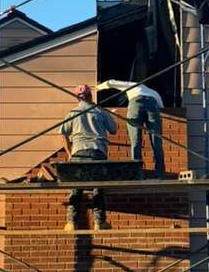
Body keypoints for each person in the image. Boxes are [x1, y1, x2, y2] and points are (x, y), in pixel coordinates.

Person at [60, 84, 117, 231]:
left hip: (78, 153)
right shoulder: (100, 111)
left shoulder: (73, 112)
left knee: (76, 187)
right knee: (99, 187)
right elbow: (113, 129)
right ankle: (99, 222)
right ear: (91, 96)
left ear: (77, 97)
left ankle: (71, 223)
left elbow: (62, 133)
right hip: (98, 153)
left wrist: (69, 153)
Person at [97, 78, 165, 177]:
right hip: (152, 105)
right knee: (157, 141)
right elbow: (161, 107)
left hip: (136, 103)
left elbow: (111, 83)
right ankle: (160, 174)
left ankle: (137, 173)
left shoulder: (134, 85)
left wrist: (97, 87)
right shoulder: (154, 92)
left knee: (136, 141)